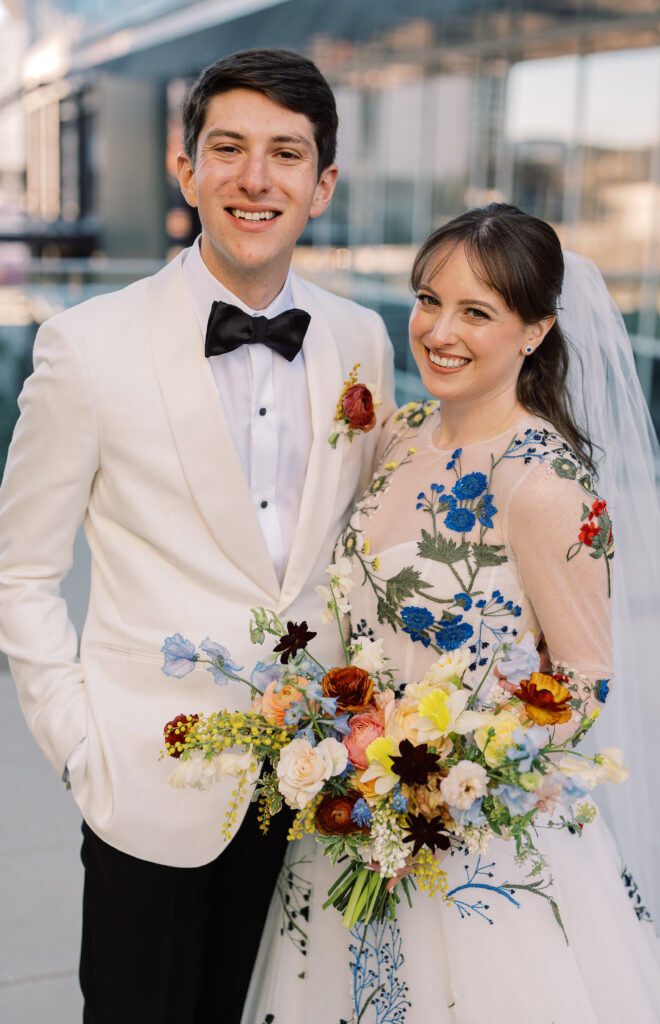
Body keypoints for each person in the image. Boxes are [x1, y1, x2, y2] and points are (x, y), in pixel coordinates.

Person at [0, 49, 395, 1023]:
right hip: (146, 784)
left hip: (318, 790)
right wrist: (81, 747)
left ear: (322, 182)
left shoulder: (361, 341)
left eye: (285, 154)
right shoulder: (84, 344)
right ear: (186, 171)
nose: (254, 178)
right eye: (227, 148)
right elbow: (22, 570)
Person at [242, 204, 660, 1022]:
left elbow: (585, 682)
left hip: (471, 847)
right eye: (427, 300)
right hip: (351, 820)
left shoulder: (544, 484)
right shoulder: (400, 435)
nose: (439, 331)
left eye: (475, 312)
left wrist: (448, 778)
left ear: (535, 330)